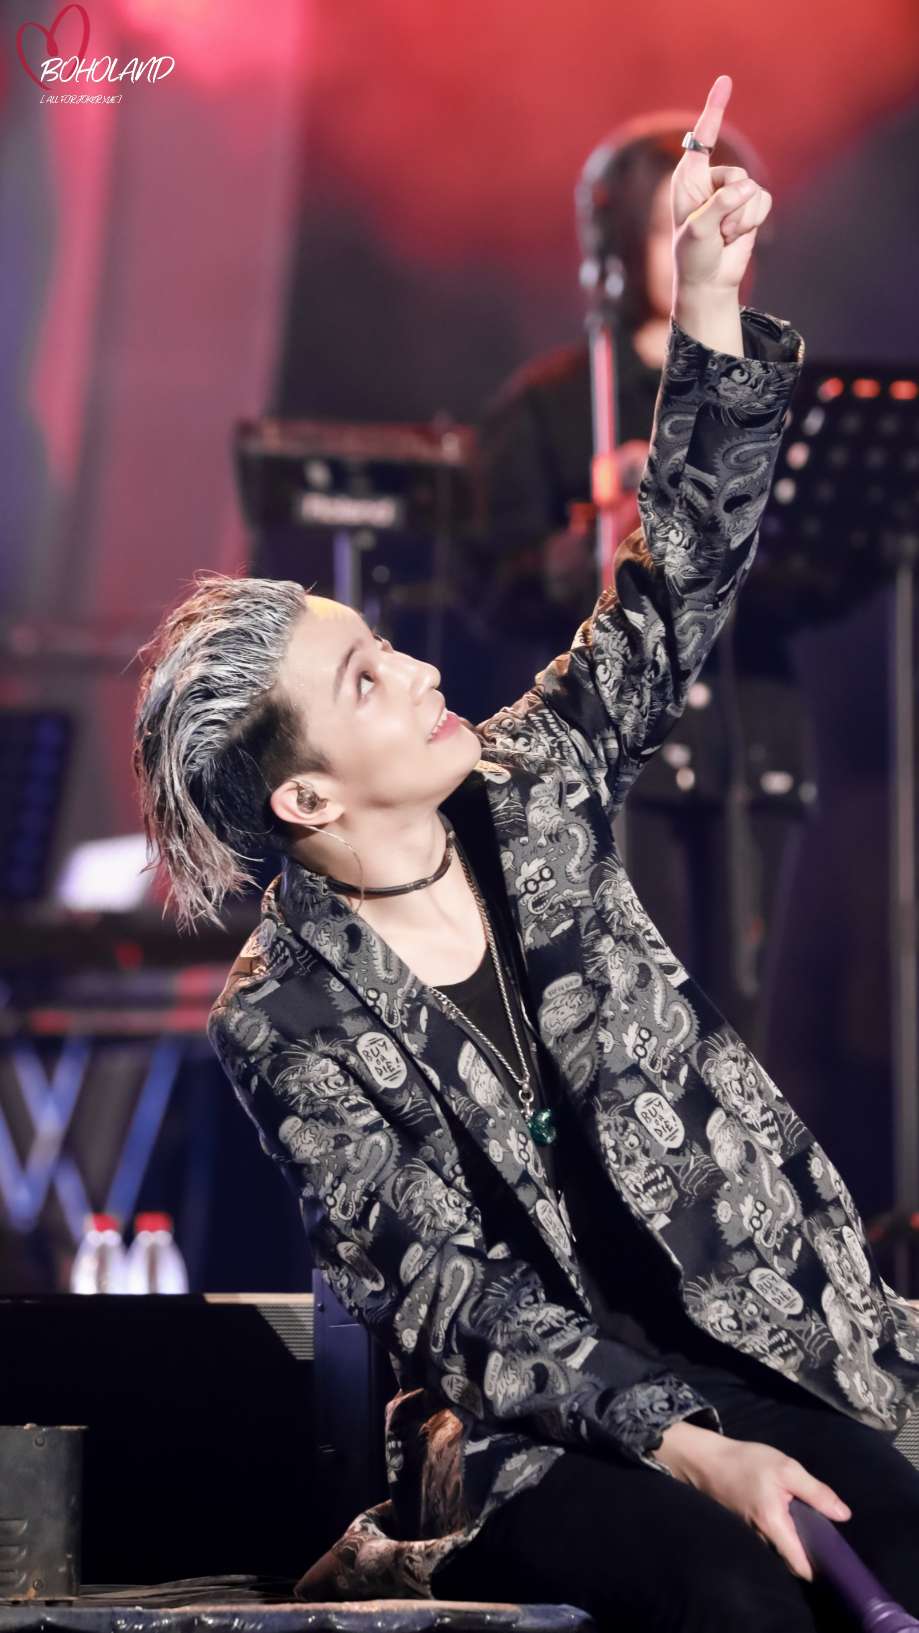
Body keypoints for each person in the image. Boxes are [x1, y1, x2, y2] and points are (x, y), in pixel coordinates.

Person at [133, 78, 919, 1631]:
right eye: (368, 680)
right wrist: (697, 1455)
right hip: (535, 1427)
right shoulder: (282, 1015)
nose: (423, 673)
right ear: (304, 797)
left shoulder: (527, 783)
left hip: (746, 1334)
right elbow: (454, 1300)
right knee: (730, 1594)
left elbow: (673, 584)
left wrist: (703, 308)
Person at [470, 109, 866, 1055]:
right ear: (615, 244)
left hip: (751, 736)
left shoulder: (771, 391)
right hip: (614, 753)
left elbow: (830, 574)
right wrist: (590, 542)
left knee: (742, 1024)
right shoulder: (549, 403)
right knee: (629, 1024)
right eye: (671, 226)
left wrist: (738, 537)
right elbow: (488, 584)